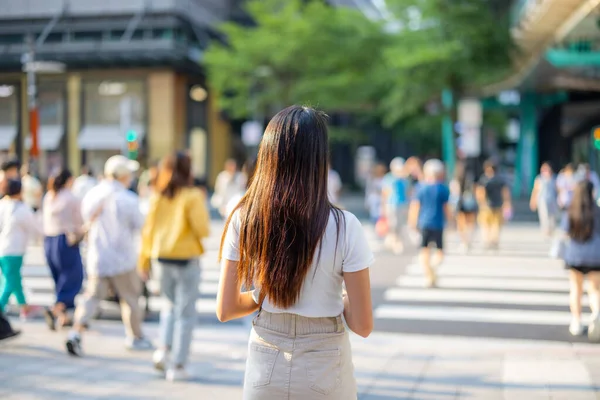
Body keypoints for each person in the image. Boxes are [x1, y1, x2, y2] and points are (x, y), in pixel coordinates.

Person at [217, 106, 374, 399]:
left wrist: (258, 295)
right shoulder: (345, 226)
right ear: (319, 160)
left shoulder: (244, 218)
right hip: (325, 363)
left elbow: (225, 309)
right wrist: (340, 298)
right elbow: (363, 325)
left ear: (268, 156)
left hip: (266, 360)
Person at [65, 156, 152, 356]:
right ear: (122, 176)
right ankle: (135, 337)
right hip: (123, 258)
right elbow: (140, 225)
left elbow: (85, 218)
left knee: (91, 297)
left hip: (98, 256)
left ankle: (75, 332)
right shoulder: (128, 199)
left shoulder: (93, 194)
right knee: (130, 298)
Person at [139, 151, 210, 382]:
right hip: (186, 259)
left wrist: (143, 261)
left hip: (161, 258)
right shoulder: (192, 195)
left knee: (169, 306)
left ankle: (163, 350)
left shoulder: (157, 196)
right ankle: (178, 365)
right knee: (185, 313)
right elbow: (203, 230)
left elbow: (147, 231)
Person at [42, 168, 84, 330]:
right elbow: (78, 220)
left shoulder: (49, 196)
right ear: (68, 180)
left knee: (59, 278)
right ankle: (56, 310)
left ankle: (64, 317)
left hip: (49, 240)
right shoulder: (71, 198)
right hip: (65, 239)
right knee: (73, 276)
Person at [559, 181, 600, 340]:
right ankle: (596, 314)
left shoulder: (571, 210)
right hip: (596, 255)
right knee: (595, 289)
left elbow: (564, 232)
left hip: (575, 256)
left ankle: (576, 322)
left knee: (576, 289)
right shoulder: (597, 211)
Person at [0, 179, 43, 320]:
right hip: (14, 250)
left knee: (14, 279)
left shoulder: (2, 205)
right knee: (10, 282)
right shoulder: (22, 209)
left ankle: (24, 307)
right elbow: (35, 229)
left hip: (2, 248)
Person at [408, 159, 451, 288]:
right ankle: (432, 270)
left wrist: (412, 222)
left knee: (424, 250)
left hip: (424, 223)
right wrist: (452, 220)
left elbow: (415, 206)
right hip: (438, 224)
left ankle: (428, 275)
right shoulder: (443, 189)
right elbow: (446, 207)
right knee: (440, 252)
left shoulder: (420, 188)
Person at [476, 161, 512, 250]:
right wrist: (507, 202)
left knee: (490, 224)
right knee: (492, 224)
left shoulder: (484, 179)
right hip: (493, 204)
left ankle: (490, 240)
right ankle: (492, 241)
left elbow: (480, 192)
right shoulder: (500, 179)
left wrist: (481, 202)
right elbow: (505, 192)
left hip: (491, 205)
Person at [381, 157, 408, 254]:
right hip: (391, 204)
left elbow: (407, 192)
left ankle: (395, 239)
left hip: (402, 204)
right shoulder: (389, 178)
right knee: (393, 223)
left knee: (400, 224)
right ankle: (396, 241)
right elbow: (385, 193)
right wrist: (383, 206)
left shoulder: (404, 179)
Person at [450, 161, 478, 251]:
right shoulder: (471, 180)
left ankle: (464, 241)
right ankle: (468, 240)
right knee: (470, 223)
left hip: (459, 204)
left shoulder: (455, 180)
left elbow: (454, 193)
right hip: (469, 203)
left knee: (461, 224)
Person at [530, 162, 558, 237]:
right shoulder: (539, 178)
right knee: (544, 215)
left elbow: (558, 189)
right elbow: (535, 190)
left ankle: (551, 229)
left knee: (552, 215)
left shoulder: (554, 178)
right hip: (542, 199)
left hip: (552, 199)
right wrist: (533, 201)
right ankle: (545, 229)